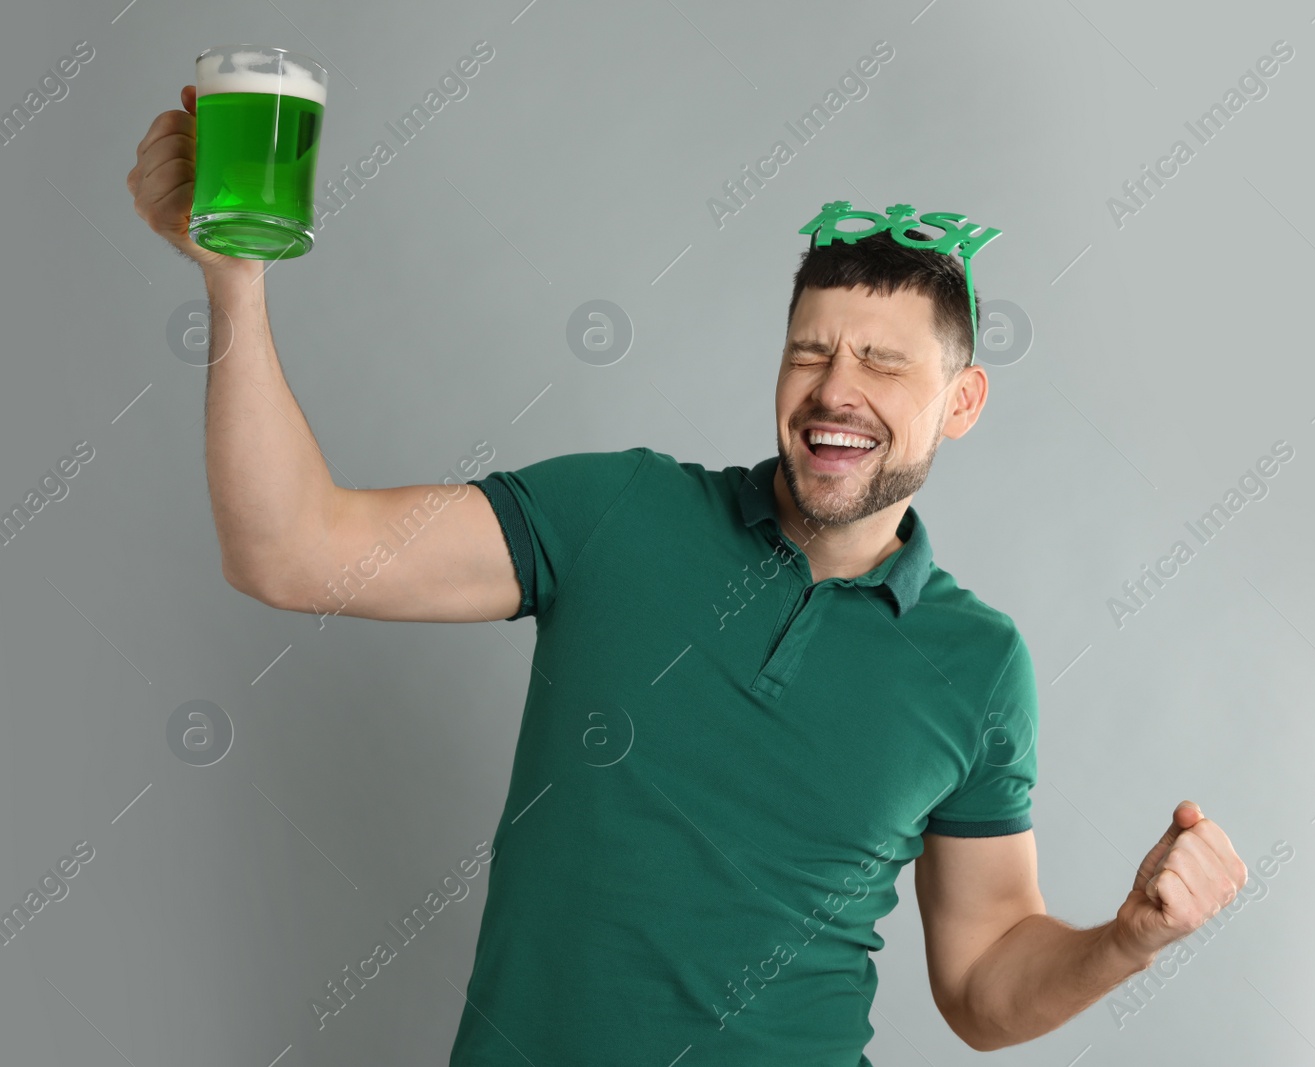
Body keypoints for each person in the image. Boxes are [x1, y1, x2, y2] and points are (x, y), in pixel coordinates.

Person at [127, 87, 1249, 1065]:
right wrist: (236, 286)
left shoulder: (977, 664)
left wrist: (1126, 936)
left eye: (883, 361)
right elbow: (292, 548)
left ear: (961, 401)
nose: (833, 387)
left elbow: (983, 984)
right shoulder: (616, 512)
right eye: (811, 349)